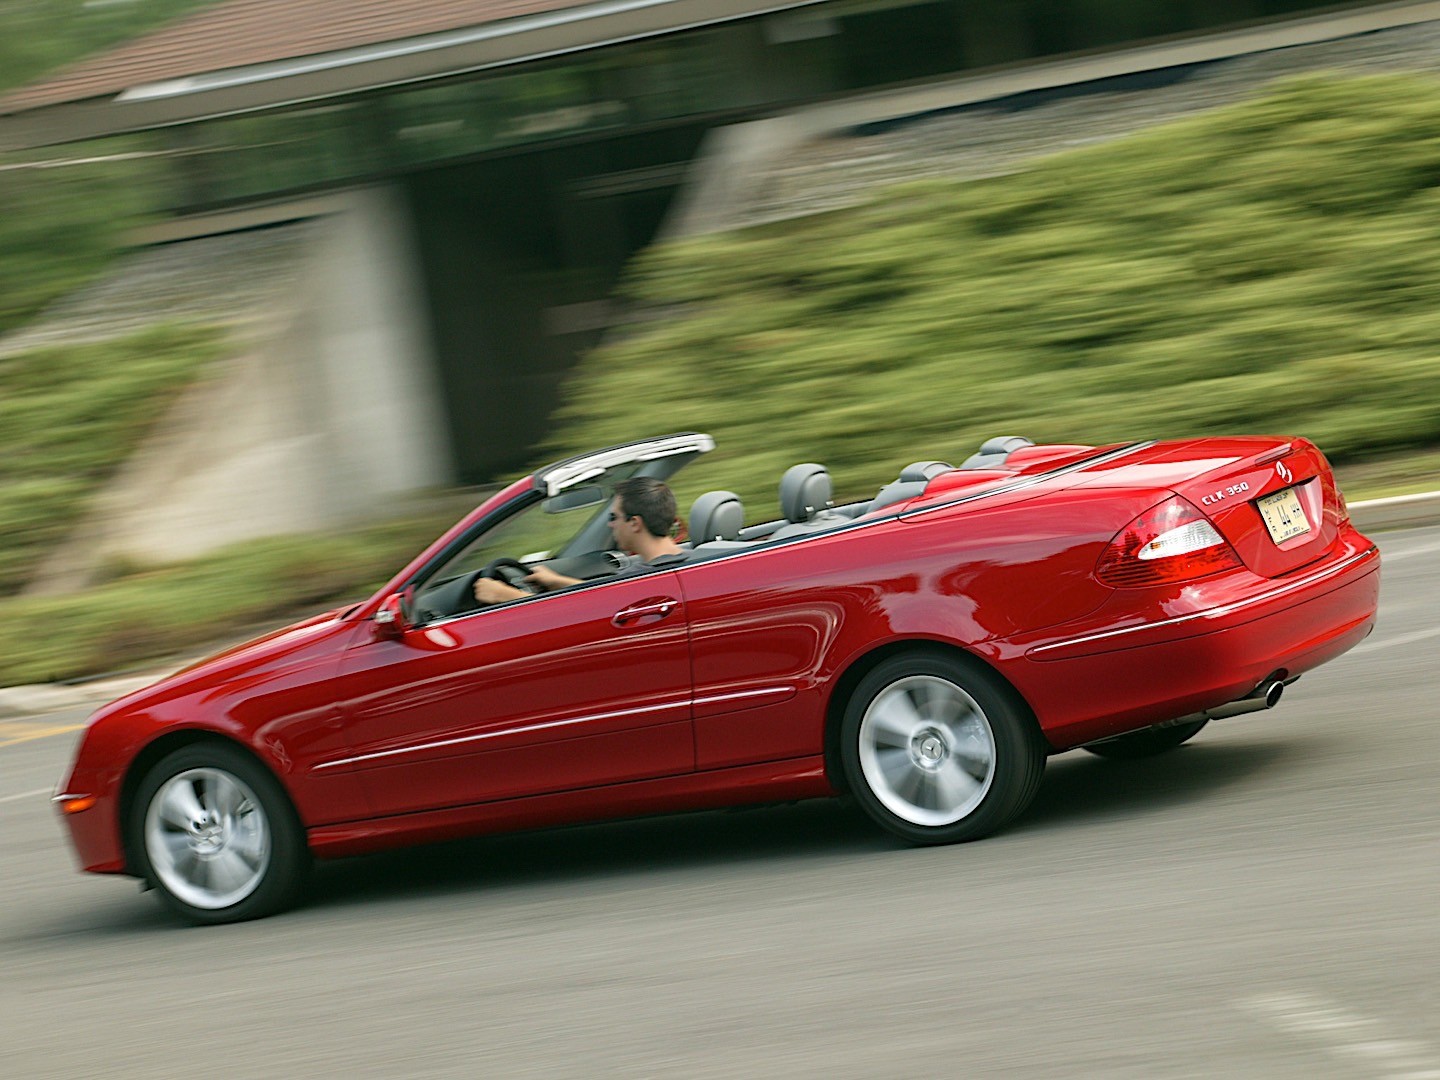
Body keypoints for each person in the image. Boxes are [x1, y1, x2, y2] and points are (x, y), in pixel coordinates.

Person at [473, 476, 683, 605]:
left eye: (614, 517)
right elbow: (601, 599)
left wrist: (505, 596)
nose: (611, 525)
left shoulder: (644, 579)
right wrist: (558, 581)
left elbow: (583, 613)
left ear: (635, 523)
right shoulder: (679, 562)